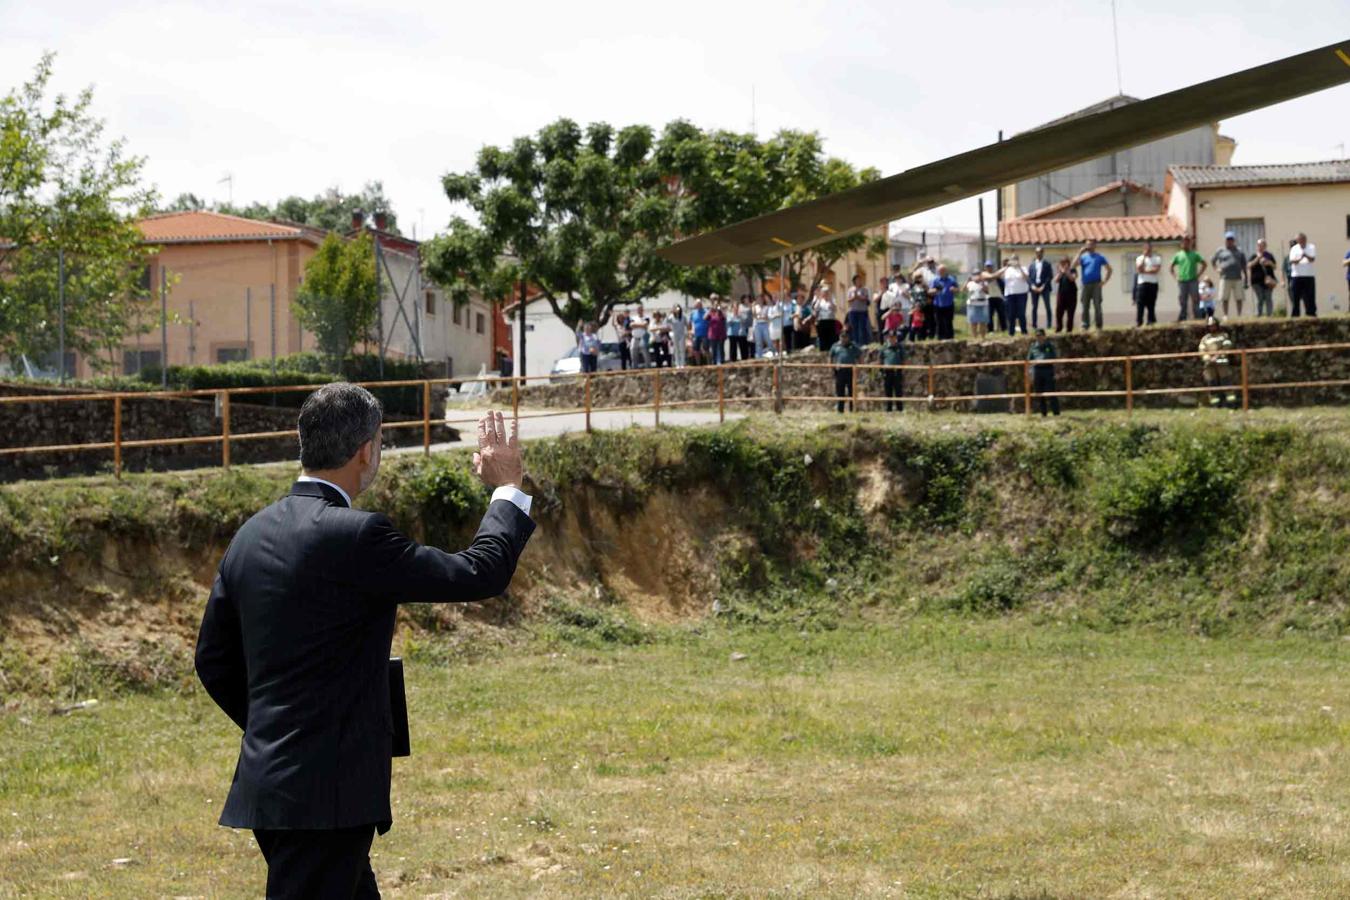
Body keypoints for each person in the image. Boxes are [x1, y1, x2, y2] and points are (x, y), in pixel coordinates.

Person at [196, 388, 534, 899]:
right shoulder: (356, 535)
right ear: (366, 451)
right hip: (327, 796)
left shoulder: (251, 533)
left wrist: (277, 728)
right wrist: (507, 489)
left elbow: (214, 661)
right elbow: (477, 572)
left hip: (284, 787)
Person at [1198, 316, 1237, 408]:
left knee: (1226, 383)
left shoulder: (1223, 336)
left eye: (1214, 325)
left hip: (1222, 363)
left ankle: (1231, 403)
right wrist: (1208, 358)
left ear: (1217, 326)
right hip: (1209, 365)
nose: (1212, 327)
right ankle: (1215, 404)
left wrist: (1217, 356)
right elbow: (1202, 350)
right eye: (1210, 326)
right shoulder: (1205, 339)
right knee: (1212, 385)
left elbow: (1227, 346)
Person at [1073, 239, 1112, 331]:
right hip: (1085, 284)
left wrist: (1104, 281)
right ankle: (1085, 324)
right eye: (1087, 244)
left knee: (1097, 305)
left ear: (1095, 246)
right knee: (1085, 305)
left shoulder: (1099, 257)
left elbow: (1109, 269)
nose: (1089, 246)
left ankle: (1099, 325)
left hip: (1096, 285)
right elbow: (1073, 265)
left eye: (1091, 244)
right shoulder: (1083, 257)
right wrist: (1079, 253)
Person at [1211, 231, 1248, 318]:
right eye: (1228, 239)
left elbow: (1244, 265)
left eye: (1231, 239)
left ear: (1234, 240)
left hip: (1237, 278)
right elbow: (1213, 260)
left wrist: (1246, 278)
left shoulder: (1239, 251)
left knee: (1239, 298)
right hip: (1225, 277)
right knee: (1224, 298)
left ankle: (1239, 315)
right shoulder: (1220, 250)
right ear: (1225, 240)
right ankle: (1225, 315)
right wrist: (1217, 269)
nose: (1229, 241)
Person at [1170, 235, 1207, 321]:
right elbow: (1171, 267)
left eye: (1187, 242)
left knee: (1195, 299)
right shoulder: (1178, 255)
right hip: (1182, 281)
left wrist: (1198, 275)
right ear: (1181, 244)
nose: (1185, 244)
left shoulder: (1195, 254)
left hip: (1193, 280)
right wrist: (1176, 277)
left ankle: (1197, 317)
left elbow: (1204, 264)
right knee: (1183, 300)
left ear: (1189, 243)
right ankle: (1183, 317)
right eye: (1183, 242)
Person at [992, 255, 1030, 336]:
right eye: (1013, 259)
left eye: (1016, 259)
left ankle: (1024, 331)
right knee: (1011, 314)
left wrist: (1019, 267)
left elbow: (1026, 277)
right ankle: (1011, 332)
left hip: (1021, 294)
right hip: (1010, 294)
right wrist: (1005, 267)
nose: (1014, 261)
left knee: (1021, 313)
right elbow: (996, 275)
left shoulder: (1023, 268)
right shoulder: (1007, 270)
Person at [1027, 328, 1060, 416]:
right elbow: (1029, 360)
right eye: (1037, 336)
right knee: (1039, 393)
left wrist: (1056, 372)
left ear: (1044, 336)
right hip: (1037, 371)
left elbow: (1054, 358)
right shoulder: (1033, 347)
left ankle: (1056, 413)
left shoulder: (1049, 346)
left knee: (1051, 392)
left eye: (1040, 335)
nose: (1039, 337)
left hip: (1048, 369)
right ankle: (1043, 413)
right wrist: (1029, 373)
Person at [829, 328, 860, 412]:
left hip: (850, 371)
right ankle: (840, 410)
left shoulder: (853, 346)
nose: (843, 338)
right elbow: (831, 357)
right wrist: (832, 369)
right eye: (842, 336)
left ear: (848, 337)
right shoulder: (835, 346)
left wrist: (858, 368)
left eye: (845, 337)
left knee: (851, 391)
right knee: (840, 391)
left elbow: (859, 357)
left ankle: (852, 409)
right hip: (840, 371)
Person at [1288, 232, 1318, 317]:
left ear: (1305, 239)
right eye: (1299, 240)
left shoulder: (1311, 247)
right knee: (1295, 296)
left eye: (1302, 240)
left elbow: (1312, 259)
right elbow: (1292, 261)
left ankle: (1311, 313)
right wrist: (1300, 258)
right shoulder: (1294, 248)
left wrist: (1306, 255)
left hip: (1309, 275)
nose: (1300, 242)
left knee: (1309, 296)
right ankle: (1295, 314)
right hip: (1297, 275)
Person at [1248, 238, 1279, 317]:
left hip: (1268, 281)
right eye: (1259, 245)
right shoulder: (1253, 255)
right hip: (1256, 282)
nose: (1261, 247)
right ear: (1257, 246)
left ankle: (1270, 314)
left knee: (1268, 298)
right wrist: (1258, 259)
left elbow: (1275, 266)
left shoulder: (1269, 255)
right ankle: (1259, 314)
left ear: (1265, 246)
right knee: (1260, 298)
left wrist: (1269, 262)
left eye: (1263, 245)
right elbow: (1249, 265)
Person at [1134, 241, 1162, 326]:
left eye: (1149, 248)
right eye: (1146, 248)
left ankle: (1151, 321)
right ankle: (1139, 322)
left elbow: (1156, 270)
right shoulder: (1139, 258)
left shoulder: (1157, 258)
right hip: (1142, 284)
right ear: (1143, 249)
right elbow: (1139, 269)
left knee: (1151, 303)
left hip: (1153, 283)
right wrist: (1144, 259)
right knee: (1140, 304)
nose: (1148, 250)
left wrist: (1144, 270)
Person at [1028, 246, 1055, 330]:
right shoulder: (1032, 265)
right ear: (1035, 253)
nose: (1038, 254)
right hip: (1034, 287)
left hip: (1045, 287)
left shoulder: (1047, 264)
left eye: (1040, 252)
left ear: (1043, 253)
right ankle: (1034, 325)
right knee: (1034, 307)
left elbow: (1050, 276)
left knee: (1047, 306)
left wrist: (1043, 286)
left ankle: (1049, 324)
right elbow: (1029, 277)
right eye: (1037, 252)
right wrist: (1032, 286)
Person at [880, 328, 906, 412]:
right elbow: (880, 359)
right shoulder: (884, 347)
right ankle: (889, 409)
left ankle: (900, 409)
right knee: (888, 391)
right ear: (888, 338)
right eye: (890, 337)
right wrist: (881, 370)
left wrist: (902, 369)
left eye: (894, 337)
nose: (892, 339)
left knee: (898, 391)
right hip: (887, 372)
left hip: (897, 372)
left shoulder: (900, 348)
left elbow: (904, 359)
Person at [931, 264, 959, 340]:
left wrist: (954, 289)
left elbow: (958, 289)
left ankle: (950, 338)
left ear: (946, 271)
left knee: (949, 321)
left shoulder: (951, 279)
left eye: (943, 270)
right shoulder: (935, 280)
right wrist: (935, 290)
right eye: (940, 271)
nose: (942, 272)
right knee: (939, 322)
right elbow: (930, 291)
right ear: (938, 271)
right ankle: (940, 338)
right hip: (938, 304)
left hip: (949, 303)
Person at [845, 273, 872, 345]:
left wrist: (858, 297)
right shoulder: (850, 290)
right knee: (854, 328)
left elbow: (866, 299)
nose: (859, 281)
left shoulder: (865, 289)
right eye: (857, 280)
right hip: (853, 311)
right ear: (854, 281)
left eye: (860, 280)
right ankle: (855, 343)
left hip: (862, 311)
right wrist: (854, 297)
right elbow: (848, 300)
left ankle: (863, 343)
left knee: (863, 328)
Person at [981, 260, 1007, 333]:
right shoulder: (984, 274)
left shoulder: (997, 275)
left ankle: (1004, 329)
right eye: (987, 266)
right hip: (989, 297)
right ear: (985, 267)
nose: (989, 268)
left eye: (990, 266)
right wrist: (1004, 268)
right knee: (989, 315)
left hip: (999, 297)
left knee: (1001, 314)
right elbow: (992, 277)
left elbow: (1002, 284)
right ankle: (990, 331)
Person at [1053, 258, 1078, 333]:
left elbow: (1072, 278)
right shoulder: (1060, 272)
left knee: (1070, 313)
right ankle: (1059, 328)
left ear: (1068, 263)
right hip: (1061, 294)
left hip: (1071, 294)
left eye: (1065, 263)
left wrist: (1066, 271)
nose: (1063, 265)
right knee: (1059, 312)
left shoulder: (1073, 270)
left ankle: (1069, 329)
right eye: (1062, 263)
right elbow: (1055, 280)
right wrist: (1061, 272)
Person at [813, 286, 840, 351]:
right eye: (824, 292)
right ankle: (823, 349)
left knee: (831, 336)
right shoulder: (819, 301)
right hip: (822, 320)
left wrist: (830, 300)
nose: (825, 294)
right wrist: (819, 299)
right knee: (822, 336)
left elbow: (835, 309)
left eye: (827, 292)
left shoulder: (832, 300)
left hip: (830, 320)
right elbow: (816, 309)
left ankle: (831, 349)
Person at [964, 270, 989, 339]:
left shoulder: (984, 283)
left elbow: (987, 291)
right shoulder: (970, 283)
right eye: (975, 274)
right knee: (973, 322)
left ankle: (983, 338)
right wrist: (967, 281)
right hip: (972, 304)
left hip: (983, 303)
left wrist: (982, 282)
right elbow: (963, 290)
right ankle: (975, 337)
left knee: (983, 322)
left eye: (978, 274)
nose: (977, 276)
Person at [753, 292, 774, 358]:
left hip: (765, 324)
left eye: (761, 299)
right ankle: (759, 356)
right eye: (758, 299)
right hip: (757, 325)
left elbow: (767, 317)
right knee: (758, 341)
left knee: (768, 340)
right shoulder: (755, 307)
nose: (759, 300)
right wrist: (753, 306)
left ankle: (774, 352)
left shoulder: (766, 307)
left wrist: (761, 316)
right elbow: (754, 316)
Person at [706, 300, 727, 366]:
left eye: (717, 305)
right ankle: (714, 362)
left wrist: (721, 310)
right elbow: (705, 318)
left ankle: (722, 361)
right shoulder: (711, 313)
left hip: (721, 333)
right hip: (713, 334)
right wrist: (710, 310)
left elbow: (725, 317)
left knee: (721, 348)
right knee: (714, 349)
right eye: (715, 305)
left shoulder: (721, 313)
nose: (716, 306)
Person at [727, 296, 747, 362]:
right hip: (732, 334)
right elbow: (729, 323)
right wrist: (734, 316)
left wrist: (739, 316)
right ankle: (733, 360)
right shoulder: (729, 314)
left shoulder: (742, 314)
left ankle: (744, 360)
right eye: (735, 307)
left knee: (743, 348)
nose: (736, 308)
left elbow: (744, 322)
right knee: (733, 348)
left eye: (737, 307)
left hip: (741, 334)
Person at [686, 299, 706, 366]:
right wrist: (689, 331)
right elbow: (689, 324)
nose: (698, 305)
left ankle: (708, 363)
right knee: (696, 350)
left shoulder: (706, 311)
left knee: (706, 349)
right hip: (696, 334)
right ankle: (698, 364)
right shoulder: (693, 313)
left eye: (699, 304)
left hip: (705, 334)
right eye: (697, 304)